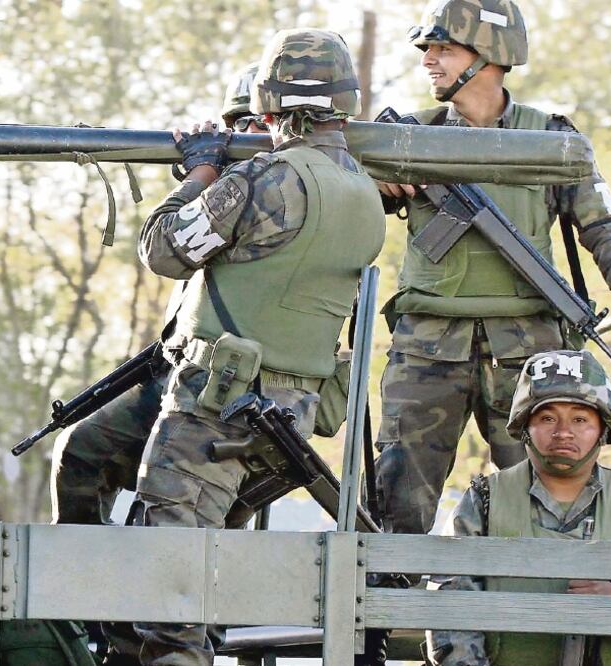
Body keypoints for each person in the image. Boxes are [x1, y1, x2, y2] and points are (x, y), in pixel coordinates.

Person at [129, 28, 386, 665]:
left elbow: (163, 249)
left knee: (169, 573)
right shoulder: (365, 190)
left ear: (268, 107)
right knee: (209, 563)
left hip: (214, 408)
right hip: (289, 422)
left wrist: (202, 170)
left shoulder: (264, 177)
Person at [373, 0, 611, 538]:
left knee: (546, 493)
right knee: (398, 495)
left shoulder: (550, 139)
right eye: (428, 50)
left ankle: (543, 610)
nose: (429, 61)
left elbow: (600, 220)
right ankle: (382, 617)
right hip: (428, 344)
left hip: (531, 346)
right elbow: (342, 200)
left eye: (444, 48)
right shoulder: (406, 138)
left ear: (488, 56)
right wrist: (373, 184)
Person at [49, 63, 270, 527]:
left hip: (244, 388)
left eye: (253, 124)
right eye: (235, 126)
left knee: (188, 519)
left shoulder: (278, 188)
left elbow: (163, 249)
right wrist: (204, 171)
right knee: (81, 449)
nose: (242, 136)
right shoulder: (232, 188)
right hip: (187, 368)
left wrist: (200, 176)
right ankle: (79, 576)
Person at [426, 349, 611, 666]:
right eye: (547, 418)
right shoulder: (484, 501)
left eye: (580, 419)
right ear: (525, 427)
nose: (563, 432)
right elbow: (451, 612)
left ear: (603, 429)